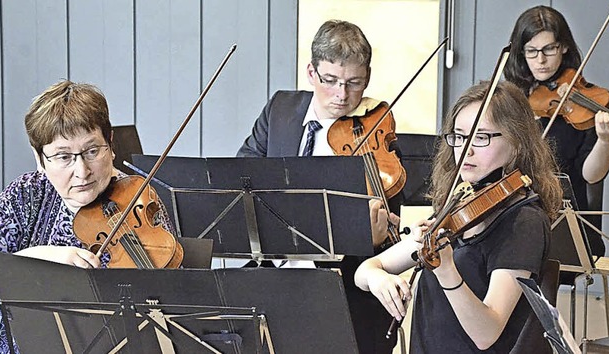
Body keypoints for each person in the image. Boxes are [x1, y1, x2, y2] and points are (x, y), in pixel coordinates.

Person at [354, 80, 563, 353]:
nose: (467, 150)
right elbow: (365, 271)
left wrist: (447, 270)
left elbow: (487, 333)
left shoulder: (523, 222)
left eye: (481, 137)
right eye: (460, 137)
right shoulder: (460, 207)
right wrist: (379, 279)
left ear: (516, 143)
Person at [237, 19, 401, 354]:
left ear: (367, 77)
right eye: (331, 81)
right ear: (311, 73)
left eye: (354, 83)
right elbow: (244, 175)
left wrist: (376, 230)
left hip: (345, 283)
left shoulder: (375, 125)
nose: (342, 95)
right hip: (277, 269)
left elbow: (390, 202)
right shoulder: (280, 109)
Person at [0, 80, 173, 352]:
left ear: (110, 144)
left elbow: (170, 301)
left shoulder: (139, 201)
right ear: (39, 158)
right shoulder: (26, 194)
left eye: (92, 151)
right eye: (63, 157)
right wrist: (41, 258)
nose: (82, 171)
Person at [504, 5, 609, 258]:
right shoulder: (509, 100)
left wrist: (606, 141)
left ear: (564, 47)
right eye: (531, 51)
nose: (541, 60)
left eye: (549, 49)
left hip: (561, 220)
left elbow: (590, 176)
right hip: (510, 210)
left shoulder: (579, 106)